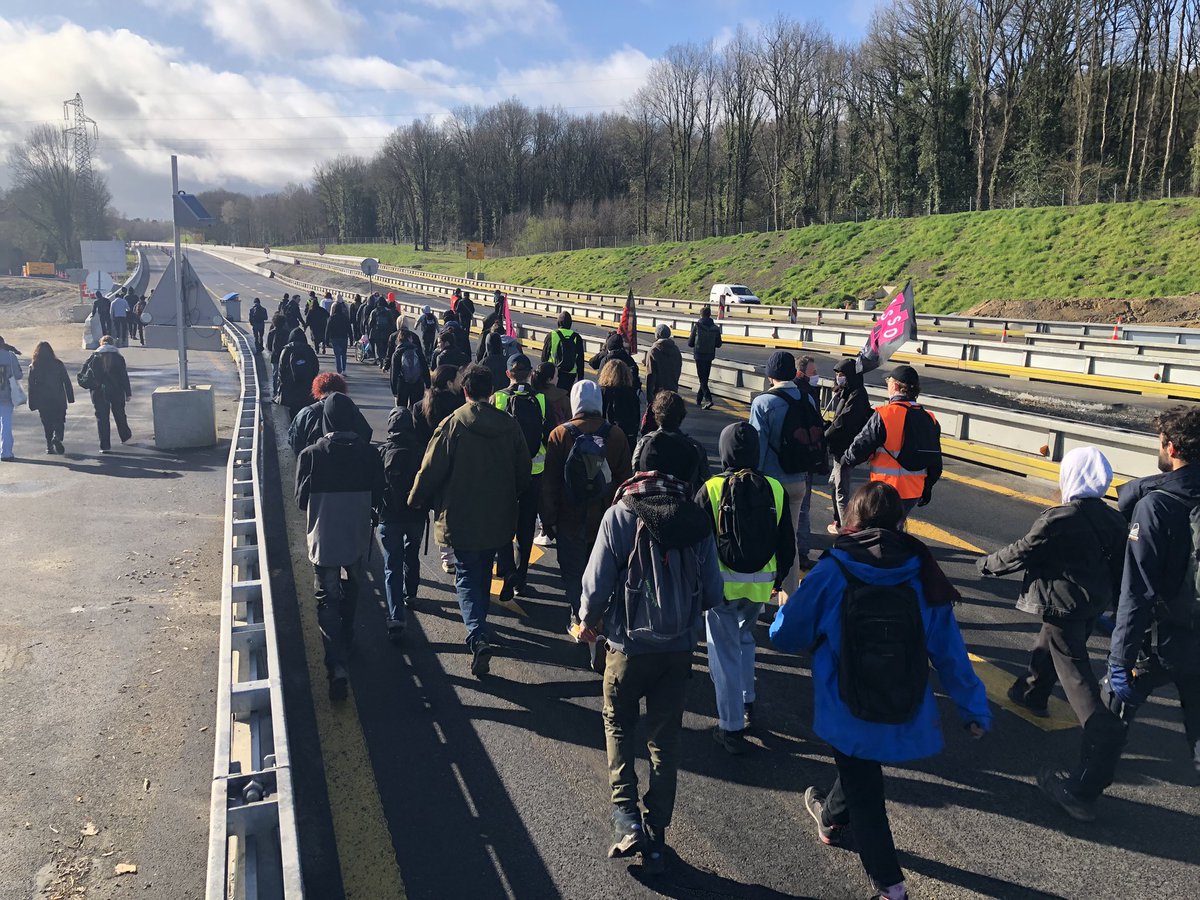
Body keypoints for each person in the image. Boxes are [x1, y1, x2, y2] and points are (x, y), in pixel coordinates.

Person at [770, 482, 990, 900]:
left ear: (852, 519)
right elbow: (949, 650)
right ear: (900, 521)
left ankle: (891, 887)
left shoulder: (835, 568)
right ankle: (831, 818)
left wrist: (783, 609)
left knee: (866, 791)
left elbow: (786, 636)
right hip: (901, 699)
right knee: (859, 770)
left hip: (846, 703)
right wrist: (973, 709)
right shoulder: (922, 570)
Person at [1039, 406, 1200, 820]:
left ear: (1172, 447)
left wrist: (1119, 659)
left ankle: (1081, 791)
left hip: (1159, 640)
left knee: (1112, 711)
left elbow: (1137, 593)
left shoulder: (1156, 506)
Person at [576, 451, 723, 873]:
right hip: (677, 649)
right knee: (665, 739)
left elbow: (597, 583)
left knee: (618, 724)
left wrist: (587, 621)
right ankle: (657, 832)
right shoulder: (694, 518)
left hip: (627, 647)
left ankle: (626, 819)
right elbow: (712, 592)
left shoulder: (620, 514)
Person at [977, 447, 1128, 806]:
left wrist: (986, 565)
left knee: (1076, 676)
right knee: (1051, 645)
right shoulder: (1115, 519)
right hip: (1093, 603)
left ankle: (1102, 736)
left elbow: (1022, 551)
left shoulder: (1060, 518)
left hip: (1063, 605)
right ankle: (1032, 692)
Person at [409, 365, 531, 676]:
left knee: (465, 575)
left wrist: (416, 499)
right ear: (492, 391)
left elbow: (430, 470)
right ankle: (481, 627)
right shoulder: (509, 425)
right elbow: (523, 471)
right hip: (498, 517)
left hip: (460, 516)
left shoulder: (453, 425)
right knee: (484, 571)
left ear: (465, 391)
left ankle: (476, 634)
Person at [698, 422, 794, 753]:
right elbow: (787, 544)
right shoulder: (774, 488)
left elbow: (699, 543)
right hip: (760, 586)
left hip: (721, 586)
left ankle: (731, 725)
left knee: (722, 653)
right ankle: (747, 699)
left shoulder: (711, 488)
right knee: (744, 640)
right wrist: (778, 580)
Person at [295, 393, 386, 701]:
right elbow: (378, 497)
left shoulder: (311, 454)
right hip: (357, 537)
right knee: (354, 587)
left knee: (326, 599)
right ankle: (348, 634)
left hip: (324, 539)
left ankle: (336, 666)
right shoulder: (370, 455)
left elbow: (300, 501)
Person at [542, 380, 632, 651]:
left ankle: (580, 619)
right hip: (604, 519)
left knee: (573, 571)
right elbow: (625, 480)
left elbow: (550, 483)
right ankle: (600, 619)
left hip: (570, 518)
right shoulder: (615, 435)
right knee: (604, 570)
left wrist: (548, 519)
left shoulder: (560, 435)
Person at [749, 351, 818, 594]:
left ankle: (761, 592)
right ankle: (789, 602)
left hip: (770, 483)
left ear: (770, 376)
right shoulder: (806, 399)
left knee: (765, 540)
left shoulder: (763, 403)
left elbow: (755, 447)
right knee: (791, 543)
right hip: (799, 480)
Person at [842, 364, 942, 516]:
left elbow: (859, 448)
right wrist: (927, 487)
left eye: (888, 381)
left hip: (885, 490)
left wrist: (845, 460)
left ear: (895, 386)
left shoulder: (885, 414)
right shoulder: (930, 418)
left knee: (882, 532)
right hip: (913, 491)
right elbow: (935, 461)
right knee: (897, 528)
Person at [492, 354, 551, 599]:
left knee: (503, 523)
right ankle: (521, 578)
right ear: (529, 374)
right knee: (526, 526)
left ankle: (507, 571)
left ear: (508, 374)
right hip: (534, 473)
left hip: (505, 474)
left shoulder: (499, 397)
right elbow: (548, 435)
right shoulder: (541, 399)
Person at [376, 406, 429, 642]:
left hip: (389, 516)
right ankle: (412, 593)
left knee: (391, 565)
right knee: (412, 553)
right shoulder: (421, 451)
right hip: (415, 515)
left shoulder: (382, 452)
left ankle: (396, 617)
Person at [414, 365, 466, 574]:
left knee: (439, 512)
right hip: (456, 464)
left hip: (431, 464)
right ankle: (460, 550)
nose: (461, 381)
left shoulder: (420, 406)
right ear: (448, 382)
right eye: (458, 378)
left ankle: (447, 558)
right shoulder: (459, 406)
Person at [824, 357, 872, 533]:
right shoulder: (847, 392)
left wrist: (824, 437)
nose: (839, 378)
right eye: (837, 374)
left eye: (842, 375)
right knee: (833, 483)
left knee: (841, 490)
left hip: (845, 449)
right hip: (841, 447)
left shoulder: (857, 395)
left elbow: (843, 422)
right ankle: (838, 520)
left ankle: (847, 531)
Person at [633, 390, 711, 494]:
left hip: (648, 495)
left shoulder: (644, 442)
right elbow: (706, 480)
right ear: (681, 416)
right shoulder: (695, 447)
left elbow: (635, 472)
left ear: (656, 414)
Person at [287, 372, 371, 456]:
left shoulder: (307, 412)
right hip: (350, 463)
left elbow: (295, 440)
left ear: (318, 390)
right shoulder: (351, 408)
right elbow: (366, 433)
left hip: (315, 463)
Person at [78, 335, 132, 453]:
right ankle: (125, 436)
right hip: (116, 391)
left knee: (102, 418)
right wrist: (128, 392)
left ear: (100, 343)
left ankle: (105, 445)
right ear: (112, 344)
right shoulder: (118, 357)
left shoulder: (94, 356)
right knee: (119, 413)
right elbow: (123, 376)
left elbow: (84, 372)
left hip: (98, 392)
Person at [26, 341, 74, 455]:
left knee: (47, 423)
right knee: (60, 421)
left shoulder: (34, 366)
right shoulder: (58, 364)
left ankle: (49, 446)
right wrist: (70, 397)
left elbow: (31, 386)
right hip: (58, 398)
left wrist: (32, 403)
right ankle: (57, 437)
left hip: (43, 400)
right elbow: (66, 381)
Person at [642, 324, 681, 434]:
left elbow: (651, 375)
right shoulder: (676, 350)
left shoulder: (654, 351)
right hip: (672, 389)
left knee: (656, 421)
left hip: (658, 393)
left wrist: (649, 397)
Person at [599, 359, 640, 459]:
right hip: (627, 439)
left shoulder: (603, 392)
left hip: (606, 439)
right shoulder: (631, 393)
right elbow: (636, 418)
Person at [278, 328, 320, 420]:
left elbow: (281, 371)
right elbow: (315, 367)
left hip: (291, 388)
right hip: (307, 387)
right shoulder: (309, 350)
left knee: (292, 413)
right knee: (306, 412)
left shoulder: (286, 350)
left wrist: (283, 384)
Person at [688, 304, 722, 409]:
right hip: (709, 355)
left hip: (699, 355)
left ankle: (708, 399)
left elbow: (690, 343)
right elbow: (719, 344)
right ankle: (698, 399)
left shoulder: (697, 326)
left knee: (702, 379)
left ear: (701, 315)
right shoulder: (715, 328)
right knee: (704, 378)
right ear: (710, 315)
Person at [541, 312, 584, 391]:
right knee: (566, 397)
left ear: (558, 322)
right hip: (570, 374)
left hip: (554, 373)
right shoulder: (577, 337)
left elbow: (544, 358)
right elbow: (580, 360)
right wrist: (580, 379)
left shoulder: (551, 335)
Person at [390, 326, 431, 409]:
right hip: (417, 383)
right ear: (410, 338)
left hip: (402, 384)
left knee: (401, 409)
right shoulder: (417, 350)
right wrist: (428, 384)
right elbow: (425, 367)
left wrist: (394, 390)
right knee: (416, 408)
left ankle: (403, 422)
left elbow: (394, 372)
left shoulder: (397, 353)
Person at [0, 335, 23, 461]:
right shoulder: (10, 356)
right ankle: (6, 452)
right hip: (6, 395)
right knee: (6, 424)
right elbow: (18, 375)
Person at [533, 362, 570, 429]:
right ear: (549, 379)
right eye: (556, 376)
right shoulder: (563, 399)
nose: (558, 378)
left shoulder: (531, 395)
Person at [325, 300, 352, 375]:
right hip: (344, 337)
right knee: (344, 354)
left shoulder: (331, 318)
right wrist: (351, 339)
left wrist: (326, 340)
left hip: (334, 338)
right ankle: (344, 370)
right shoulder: (345, 318)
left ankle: (339, 370)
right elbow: (349, 329)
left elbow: (327, 330)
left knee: (337, 355)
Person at [265, 313, 289, 400]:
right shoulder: (287, 332)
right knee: (284, 374)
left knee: (275, 374)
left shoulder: (271, 333)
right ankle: (282, 391)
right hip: (285, 357)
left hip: (275, 357)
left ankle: (275, 392)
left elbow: (269, 346)